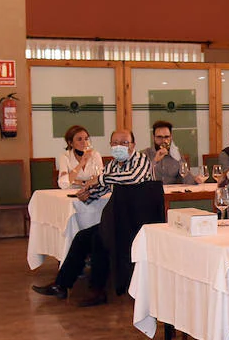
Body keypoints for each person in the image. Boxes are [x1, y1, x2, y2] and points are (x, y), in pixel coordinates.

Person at [32, 129, 152, 307]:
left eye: (124, 142)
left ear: (133, 145)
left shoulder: (141, 161)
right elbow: (102, 188)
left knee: (100, 238)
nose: (119, 146)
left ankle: (98, 291)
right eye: (115, 143)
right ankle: (61, 285)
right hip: (119, 220)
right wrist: (88, 194)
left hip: (138, 221)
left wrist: (99, 180)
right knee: (82, 237)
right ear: (110, 146)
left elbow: (131, 178)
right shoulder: (112, 165)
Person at [142, 120, 193, 185]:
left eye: (166, 137)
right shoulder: (145, 154)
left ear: (171, 137)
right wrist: (155, 161)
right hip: (152, 193)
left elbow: (188, 181)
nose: (163, 140)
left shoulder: (176, 155)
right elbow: (140, 177)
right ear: (153, 137)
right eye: (159, 137)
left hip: (172, 193)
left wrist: (179, 160)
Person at [57, 125, 103, 190]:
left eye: (86, 139)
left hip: (91, 191)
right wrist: (81, 163)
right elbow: (62, 183)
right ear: (71, 143)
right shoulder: (65, 157)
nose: (84, 142)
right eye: (79, 139)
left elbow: (101, 178)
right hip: (71, 193)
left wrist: (77, 181)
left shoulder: (95, 155)